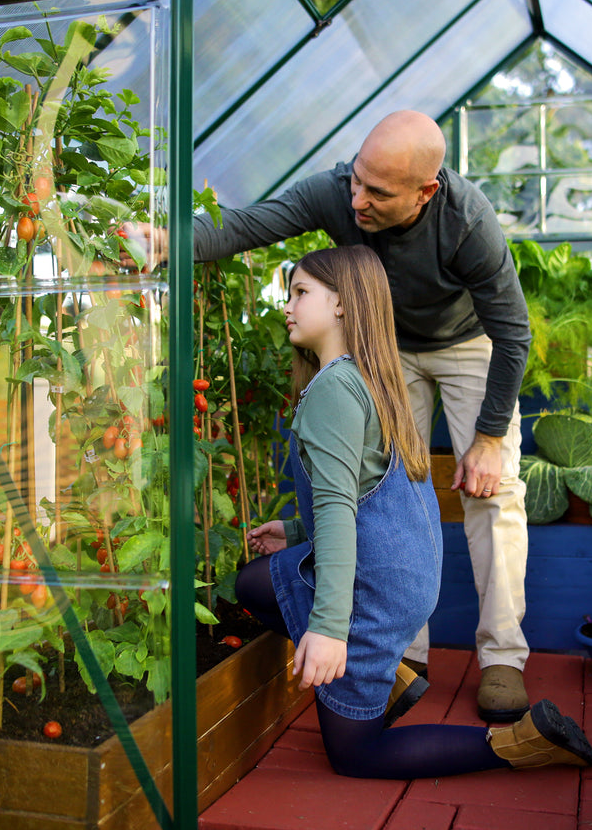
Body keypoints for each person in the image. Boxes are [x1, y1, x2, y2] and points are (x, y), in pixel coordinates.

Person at [128, 109, 532, 721]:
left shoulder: (468, 221)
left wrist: (490, 436)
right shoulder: (341, 191)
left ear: (427, 192)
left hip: (466, 342)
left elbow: (513, 331)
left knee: (492, 490)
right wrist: (170, 240)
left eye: (377, 191)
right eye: (357, 180)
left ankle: (502, 654)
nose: (357, 199)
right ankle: (402, 651)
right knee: (395, 483)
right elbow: (252, 223)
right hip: (387, 345)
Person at [233, 245, 592, 779]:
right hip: (405, 573)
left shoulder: (333, 390)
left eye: (301, 292)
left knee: (357, 755)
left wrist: (331, 630)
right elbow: (369, 493)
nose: (287, 306)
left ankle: (522, 742)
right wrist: (293, 530)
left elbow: (337, 510)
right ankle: (389, 674)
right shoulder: (371, 378)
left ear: (341, 304)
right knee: (254, 583)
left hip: (375, 588)